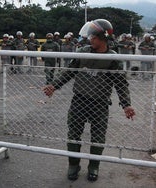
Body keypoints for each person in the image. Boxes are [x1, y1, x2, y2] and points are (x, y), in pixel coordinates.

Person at [42, 19, 135, 182]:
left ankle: (93, 167)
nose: (90, 39)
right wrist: (54, 86)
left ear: (102, 37)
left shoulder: (112, 59)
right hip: (79, 100)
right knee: (73, 135)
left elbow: (121, 83)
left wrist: (126, 105)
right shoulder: (83, 52)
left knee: (98, 137)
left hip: (100, 104)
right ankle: (73, 164)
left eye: (93, 36)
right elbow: (69, 72)